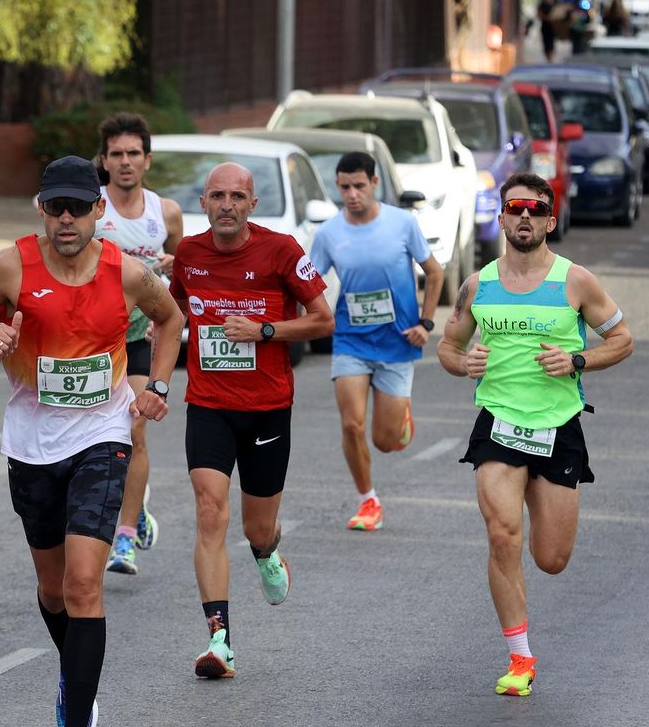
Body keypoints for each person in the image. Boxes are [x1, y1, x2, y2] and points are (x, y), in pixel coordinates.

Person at [0, 156, 183, 727]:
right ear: (40, 208)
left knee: (83, 583)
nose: (67, 219)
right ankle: (76, 681)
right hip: (30, 443)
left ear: (99, 210)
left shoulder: (126, 273)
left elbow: (171, 320)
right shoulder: (11, 266)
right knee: (52, 591)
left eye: (79, 206)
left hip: (102, 437)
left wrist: (155, 385)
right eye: (56, 207)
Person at [435, 173, 633, 697]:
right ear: (501, 218)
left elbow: (622, 340)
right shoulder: (478, 285)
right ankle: (519, 658)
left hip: (557, 427)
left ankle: (527, 609)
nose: (524, 216)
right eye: (514, 207)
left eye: (535, 208)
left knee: (551, 558)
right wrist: (464, 363)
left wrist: (576, 359)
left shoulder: (576, 282)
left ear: (549, 220)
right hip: (498, 423)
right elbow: (448, 347)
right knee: (502, 534)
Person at [170, 163, 334, 679]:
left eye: (236, 196)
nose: (226, 205)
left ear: (251, 205)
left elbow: (323, 319)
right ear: (203, 203)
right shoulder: (189, 256)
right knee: (209, 510)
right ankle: (219, 640)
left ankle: (267, 553)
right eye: (217, 195)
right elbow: (169, 313)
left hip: (266, 408)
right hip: (209, 404)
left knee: (255, 526)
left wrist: (264, 330)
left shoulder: (281, 249)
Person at [308, 151, 444, 532]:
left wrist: (426, 323)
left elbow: (434, 273)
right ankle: (368, 499)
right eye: (344, 187)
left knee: (386, 441)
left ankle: (398, 416)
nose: (352, 195)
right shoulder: (330, 233)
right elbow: (309, 282)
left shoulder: (402, 223)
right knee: (351, 425)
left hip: (398, 340)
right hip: (351, 339)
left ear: (374, 184)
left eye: (359, 186)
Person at [92, 112, 184, 576]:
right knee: (96, 436)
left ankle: (123, 538)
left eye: (133, 154)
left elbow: (183, 271)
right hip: (97, 337)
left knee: (135, 429)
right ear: (104, 161)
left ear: (146, 160)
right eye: (116, 154)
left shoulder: (164, 212)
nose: (125, 162)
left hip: (142, 334)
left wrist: (172, 266)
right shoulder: (92, 208)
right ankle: (134, 506)